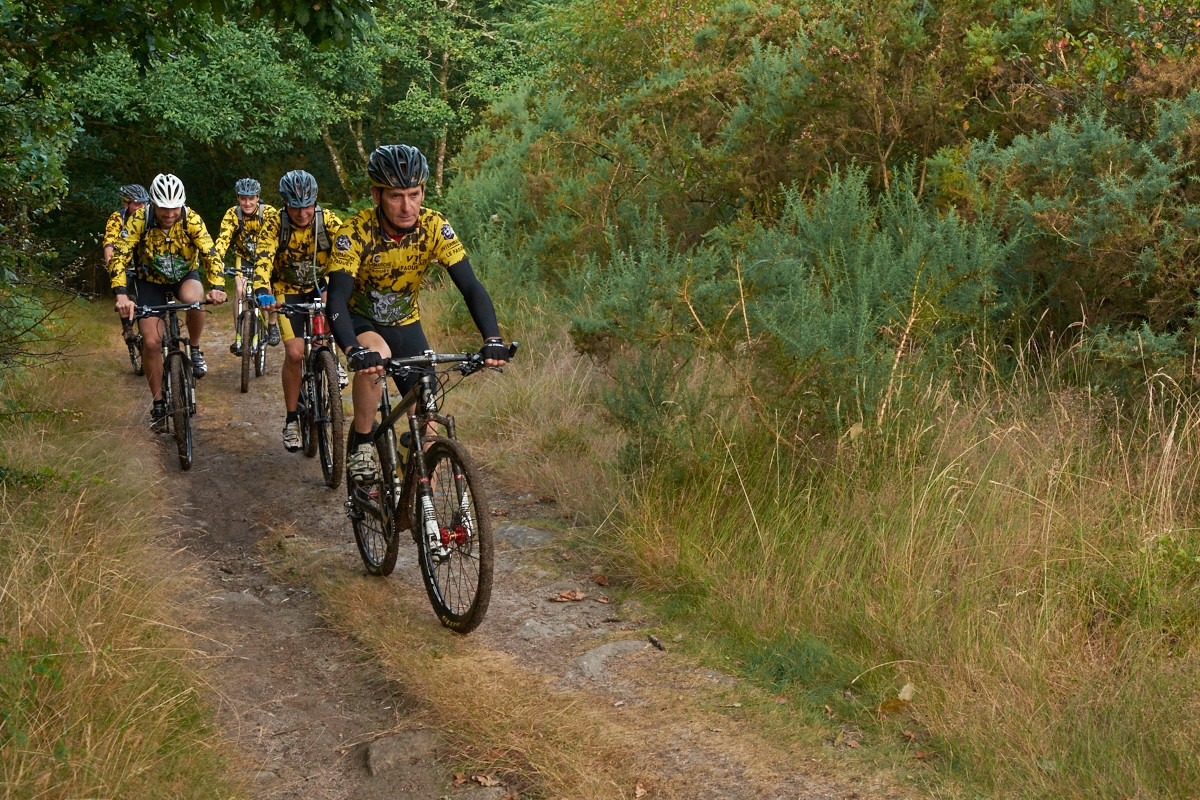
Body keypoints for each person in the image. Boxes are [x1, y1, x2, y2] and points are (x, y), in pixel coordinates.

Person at [325, 144, 508, 482]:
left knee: (426, 411)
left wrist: (492, 338)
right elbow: (336, 299)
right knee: (375, 356)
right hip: (361, 320)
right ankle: (363, 442)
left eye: (414, 194)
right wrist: (353, 349)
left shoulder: (435, 226)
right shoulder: (354, 231)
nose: (407, 206)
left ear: (423, 191)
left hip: (406, 323)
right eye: (396, 196)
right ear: (376, 195)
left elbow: (470, 286)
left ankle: (415, 493)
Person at [111, 173, 228, 426]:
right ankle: (159, 403)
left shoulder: (192, 219)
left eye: (175, 207)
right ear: (153, 203)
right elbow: (119, 256)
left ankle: (194, 348)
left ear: (182, 204)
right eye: (164, 207)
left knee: (195, 300)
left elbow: (211, 253)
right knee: (151, 343)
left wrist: (217, 286)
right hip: (148, 281)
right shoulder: (139, 220)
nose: (170, 213)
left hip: (184, 275)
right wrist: (121, 293)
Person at [253, 169, 343, 452]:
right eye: (295, 206)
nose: (302, 213)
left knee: (337, 305)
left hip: (320, 283)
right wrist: (261, 290)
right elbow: (263, 258)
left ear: (315, 201)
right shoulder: (273, 224)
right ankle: (292, 418)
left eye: (307, 205)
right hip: (286, 287)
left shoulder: (328, 220)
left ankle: (332, 359)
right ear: (284, 204)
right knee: (294, 353)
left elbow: (347, 251)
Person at [213, 177, 280, 353]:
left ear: (258, 197)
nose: (247, 202)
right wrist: (216, 259)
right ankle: (240, 335)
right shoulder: (232, 214)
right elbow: (223, 239)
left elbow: (279, 238)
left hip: (266, 259)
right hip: (244, 258)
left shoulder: (269, 213)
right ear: (238, 198)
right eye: (243, 198)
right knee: (240, 291)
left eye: (251, 198)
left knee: (269, 289)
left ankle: (272, 325)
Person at [103, 184, 149, 343]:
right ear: (126, 204)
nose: (142, 207)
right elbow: (109, 243)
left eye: (144, 203)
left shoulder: (151, 216)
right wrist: (111, 263)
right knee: (121, 291)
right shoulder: (117, 218)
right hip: (125, 264)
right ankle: (127, 327)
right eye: (137, 204)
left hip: (146, 263)